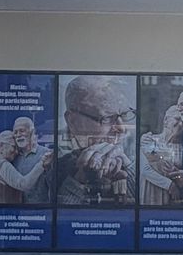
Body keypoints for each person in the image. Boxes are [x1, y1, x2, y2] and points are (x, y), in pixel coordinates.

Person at [57, 75, 136, 205]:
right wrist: (78, 181)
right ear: (73, 121)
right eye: (106, 118)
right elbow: (56, 220)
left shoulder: (138, 160)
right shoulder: (51, 169)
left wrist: (130, 173)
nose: (121, 128)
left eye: (124, 115)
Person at [0, 129, 55, 203]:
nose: (16, 152)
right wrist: (42, 164)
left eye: (18, 149)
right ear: (1, 146)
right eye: (14, 147)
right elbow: (23, 184)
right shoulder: (2, 164)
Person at [140, 103, 183, 206]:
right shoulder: (150, 140)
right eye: (177, 119)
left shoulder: (182, 147)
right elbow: (145, 170)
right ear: (166, 120)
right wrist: (169, 185)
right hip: (151, 194)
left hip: (171, 198)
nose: (180, 124)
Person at [8, 116, 52, 204]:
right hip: (17, 212)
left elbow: (54, 184)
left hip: (40, 212)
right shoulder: (13, 156)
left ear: (32, 132)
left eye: (22, 131)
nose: (18, 135)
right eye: (15, 132)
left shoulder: (46, 154)